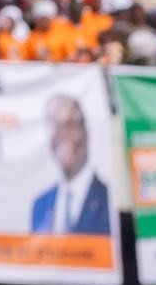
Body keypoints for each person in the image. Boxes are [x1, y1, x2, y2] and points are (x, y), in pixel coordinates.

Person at [28, 95, 109, 235]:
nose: (62, 134)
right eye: (55, 125)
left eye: (70, 125)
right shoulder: (40, 205)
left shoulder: (109, 200)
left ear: (86, 134)